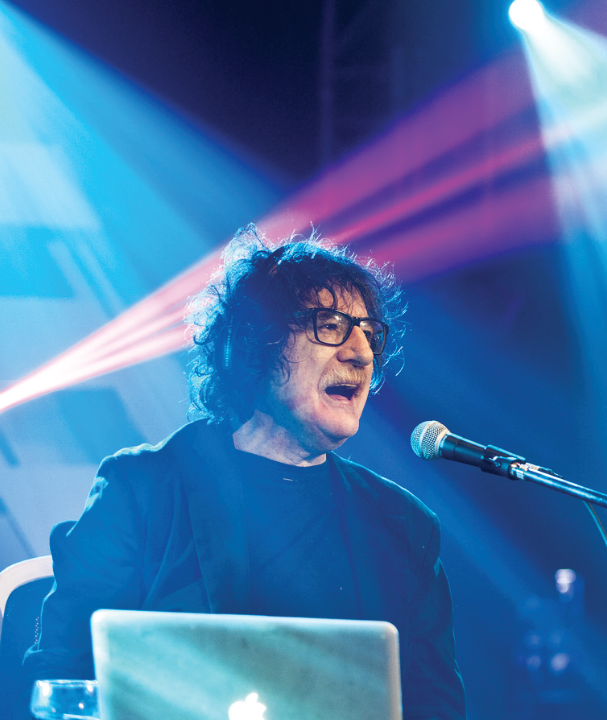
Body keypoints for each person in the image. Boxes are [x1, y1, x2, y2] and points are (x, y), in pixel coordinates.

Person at [23, 227, 465, 720]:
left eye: (368, 332)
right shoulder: (141, 490)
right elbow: (61, 677)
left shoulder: (403, 526)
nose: (361, 352)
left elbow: (436, 705)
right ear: (255, 340)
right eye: (332, 325)